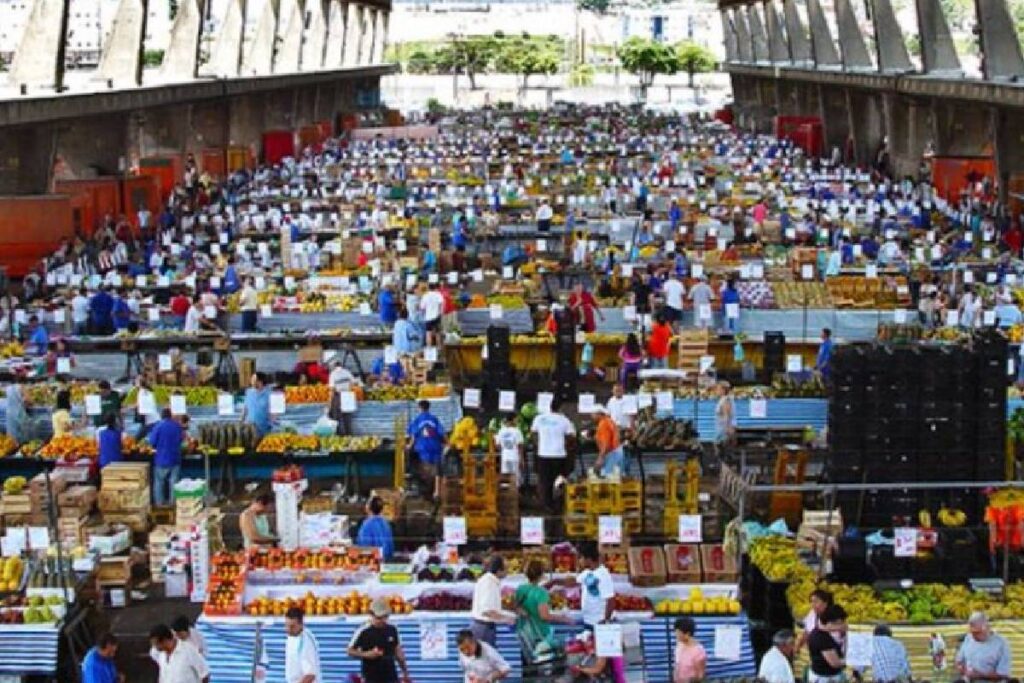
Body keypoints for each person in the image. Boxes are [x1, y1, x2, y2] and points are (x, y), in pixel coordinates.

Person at [514, 560, 574, 657]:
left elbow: (516, 606)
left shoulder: (520, 589)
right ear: (541, 575)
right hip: (540, 634)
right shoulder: (541, 593)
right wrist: (563, 618)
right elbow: (544, 616)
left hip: (525, 633)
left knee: (528, 660)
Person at [347, 598, 411, 683]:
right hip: (371, 676)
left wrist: (405, 672)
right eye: (379, 618)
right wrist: (366, 654)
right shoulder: (363, 631)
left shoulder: (392, 629)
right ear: (371, 615)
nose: (382, 621)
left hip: (391, 676)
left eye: (385, 617)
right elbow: (350, 651)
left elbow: (398, 651)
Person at [530, 400, 576, 512]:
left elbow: (533, 433)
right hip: (559, 454)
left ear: (550, 407)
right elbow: (572, 436)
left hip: (543, 454)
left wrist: (539, 444)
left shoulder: (539, 418)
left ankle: (547, 505)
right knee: (559, 480)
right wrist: (565, 444)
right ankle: (558, 504)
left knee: (545, 480)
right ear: (560, 408)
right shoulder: (564, 420)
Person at [470, 556, 515, 646]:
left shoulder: (490, 581)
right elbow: (487, 611)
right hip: (484, 629)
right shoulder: (489, 583)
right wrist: (507, 618)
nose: (508, 571)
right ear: (499, 570)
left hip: (485, 627)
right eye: (506, 569)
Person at [955, 611, 1011, 683]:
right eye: (972, 632)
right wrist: (964, 671)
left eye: (977, 633)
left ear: (987, 628)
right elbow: (959, 661)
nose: (973, 636)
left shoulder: (1001, 643)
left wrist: (979, 675)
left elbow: (1003, 674)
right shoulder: (968, 638)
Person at [406, 400, 446, 500]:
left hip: (422, 448)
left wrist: (409, 446)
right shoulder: (434, 419)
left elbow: (414, 436)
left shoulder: (417, 420)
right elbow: (442, 433)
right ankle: (437, 492)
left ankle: (425, 489)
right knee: (437, 469)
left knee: (422, 468)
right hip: (435, 446)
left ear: (419, 408)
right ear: (429, 407)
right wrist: (447, 444)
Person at [149, 408, 184, 507]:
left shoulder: (158, 426)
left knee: (159, 483)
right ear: (170, 415)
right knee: (174, 483)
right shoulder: (177, 426)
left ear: (161, 416)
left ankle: (160, 504)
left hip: (161, 459)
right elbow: (181, 439)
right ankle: (173, 504)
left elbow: (152, 442)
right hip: (175, 458)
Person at [576, 542, 615, 628]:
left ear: (588, 559)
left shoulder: (603, 575)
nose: (579, 561)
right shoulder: (587, 572)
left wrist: (606, 620)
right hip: (589, 620)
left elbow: (610, 600)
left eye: (580, 558)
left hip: (599, 622)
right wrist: (555, 582)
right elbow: (575, 581)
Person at [808, 605, 848, 683]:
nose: (843, 625)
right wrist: (852, 660)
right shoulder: (822, 638)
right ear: (829, 623)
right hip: (824, 677)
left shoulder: (826, 632)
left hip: (831, 675)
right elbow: (835, 663)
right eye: (839, 623)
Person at [284, 607, 323, 683]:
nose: (288, 629)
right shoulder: (291, 637)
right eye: (286, 625)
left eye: (292, 626)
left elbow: (310, 675)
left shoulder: (306, 642)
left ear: (301, 624)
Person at [356, 496, 395, 561]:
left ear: (368, 508)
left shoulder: (366, 525)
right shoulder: (386, 523)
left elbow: (363, 546)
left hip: (373, 561)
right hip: (386, 560)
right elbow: (391, 546)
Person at [494, 414, 525, 486]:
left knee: (506, 477)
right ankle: (514, 491)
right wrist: (521, 459)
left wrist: (504, 451)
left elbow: (498, 445)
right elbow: (520, 446)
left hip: (505, 457)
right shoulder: (517, 431)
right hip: (514, 457)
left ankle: (505, 490)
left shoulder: (501, 431)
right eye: (516, 419)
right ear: (513, 420)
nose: (517, 421)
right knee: (515, 478)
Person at [593, 406, 624, 477]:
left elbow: (605, 443)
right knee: (615, 475)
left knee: (608, 476)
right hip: (616, 451)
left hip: (612, 453)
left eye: (593, 414)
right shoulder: (609, 421)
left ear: (599, 414)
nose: (592, 416)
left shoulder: (603, 424)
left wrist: (600, 458)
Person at [673, 617, 707, 683]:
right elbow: (677, 664)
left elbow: (700, 676)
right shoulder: (679, 644)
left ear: (687, 634)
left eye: (678, 632)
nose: (676, 634)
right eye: (676, 631)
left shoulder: (699, 651)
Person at [242, 372, 273, 437]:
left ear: (260, 382)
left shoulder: (269, 394)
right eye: (252, 379)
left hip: (263, 429)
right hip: (249, 428)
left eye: (254, 380)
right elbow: (245, 408)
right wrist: (241, 421)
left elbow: (272, 413)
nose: (252, 381)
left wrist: (271, 424)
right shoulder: (249, 392)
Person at [419, 282, 445, 348]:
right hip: (437, 316)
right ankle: (439, 348)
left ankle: (429, 349)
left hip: (428, 317)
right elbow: (442, 304)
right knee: (438, 333)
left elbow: (422, 307)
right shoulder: (438, 295)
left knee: (428, 333)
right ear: (435, 288)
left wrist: (423, 313)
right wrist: (441, 312)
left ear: (428, 288)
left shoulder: (425, 296)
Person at [714, 381, 736, 450]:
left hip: (724, 429)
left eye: (718, 389)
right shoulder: (723, 400)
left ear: (723, 390)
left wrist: (728, 428)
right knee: (718, 446)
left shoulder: (726, 400)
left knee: (719, 446)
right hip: (721, 428)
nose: (716, 391)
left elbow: (727, 415)